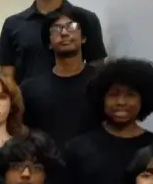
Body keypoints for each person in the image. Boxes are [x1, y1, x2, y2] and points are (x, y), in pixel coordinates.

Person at [54, 59, 153, 184]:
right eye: (113, 94)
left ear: (144, 99)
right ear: (102, 99)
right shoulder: (78, 148)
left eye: (130, 94)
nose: (121, 102)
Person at [19, 11, 101, 153]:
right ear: (49, 43)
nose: (64, 33)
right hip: (46, 167)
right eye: (56, 29)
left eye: (72, 26)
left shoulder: (102, 82)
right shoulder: (29, 88)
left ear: (84, 38)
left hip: (93, 165)